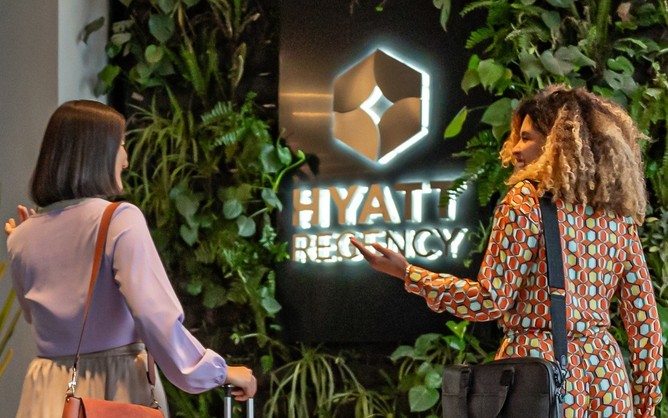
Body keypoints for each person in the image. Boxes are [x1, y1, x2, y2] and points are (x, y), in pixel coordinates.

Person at [351, 85, 663, 418]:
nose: (514, 149)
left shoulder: (525, 202)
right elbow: (643, 320)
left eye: (526, 138)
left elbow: (491, 300)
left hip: (540, 373)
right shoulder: (615, 217)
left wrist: (409, 273)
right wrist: (645, 401)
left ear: (556, 142)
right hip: (607, 379)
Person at [5, 100, 256, 418]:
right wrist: (218, 371)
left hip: (45, 394)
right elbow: (156, 317)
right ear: (96, 152)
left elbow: (37, 317)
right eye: (121, 145)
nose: (125, 160)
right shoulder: (119, 219)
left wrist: (28, 238)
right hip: (112, 389)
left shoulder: (21, 235)